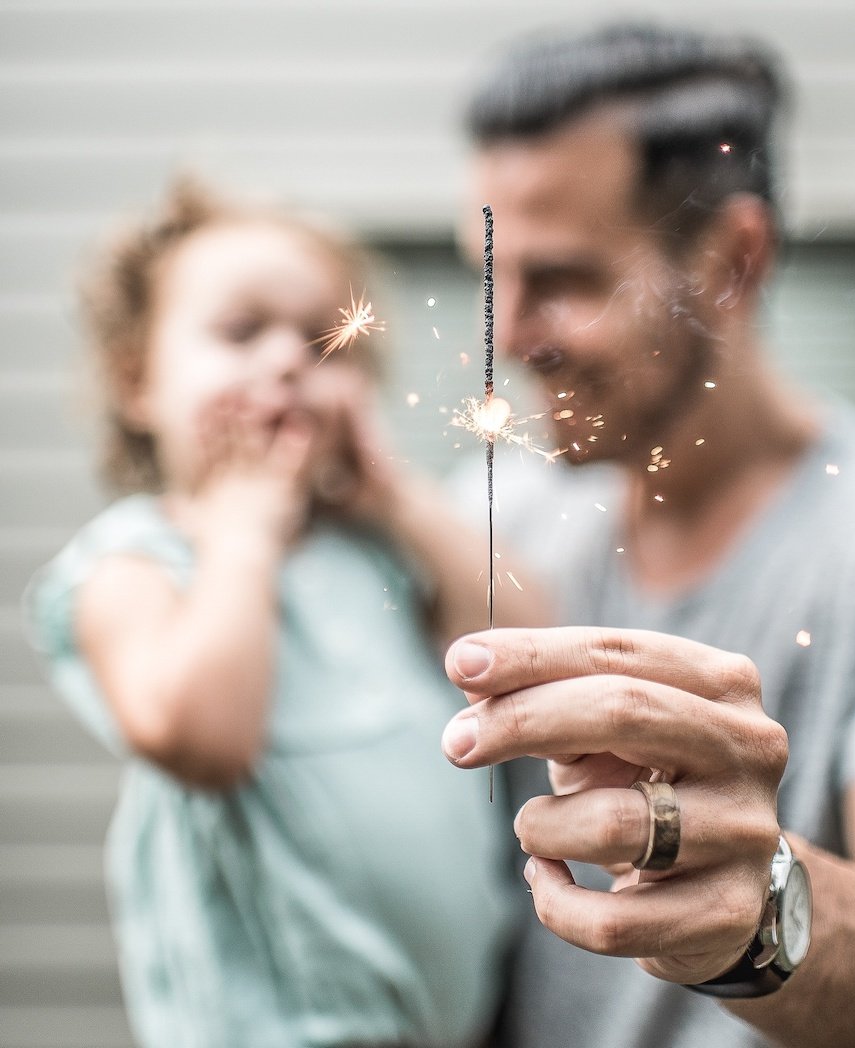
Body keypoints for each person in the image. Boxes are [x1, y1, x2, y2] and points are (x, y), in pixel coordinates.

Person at [439, 21, 855, 1048]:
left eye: (563, 279)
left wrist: (764, 908)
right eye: (494, 276)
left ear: (732, 262)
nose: (510, 336)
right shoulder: (505, 514)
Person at [24, 179, 541, 1048]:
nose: (289, 361)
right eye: (240, 333)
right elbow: (202, 739)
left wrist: (393, 496)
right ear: (136, 382)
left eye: (324, 344)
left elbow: (525, 631)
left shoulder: (368, 549)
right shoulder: (135, 563)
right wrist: (243, 536)